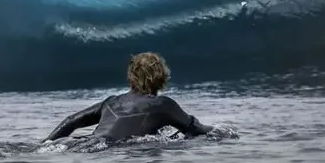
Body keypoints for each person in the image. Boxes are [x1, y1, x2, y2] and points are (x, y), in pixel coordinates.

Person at [44, 52, 213, 142]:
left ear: (131, 77)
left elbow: (70, 120)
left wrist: (45, 144)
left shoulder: (111, 101)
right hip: (111, 149)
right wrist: (222, 131)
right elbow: (195, 130)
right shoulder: (163, 105)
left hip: (82, 143)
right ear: (162, 77)